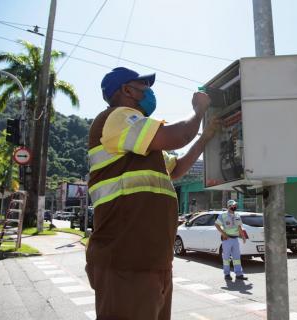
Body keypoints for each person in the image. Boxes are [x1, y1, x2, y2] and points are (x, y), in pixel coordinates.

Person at [85, 67, 219, 320]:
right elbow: (179, 135)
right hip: (126, 260)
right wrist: (199, 109)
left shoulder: (142, 145)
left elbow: (177, 169)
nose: (149, 92)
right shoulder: (117, 117)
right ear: (126, 90)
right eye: (144, 86)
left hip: (151, 262)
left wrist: (205, 137)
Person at [215, 199, 248, 281]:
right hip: (227, 239)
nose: (235, 206)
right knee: (226, 258)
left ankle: (239, 274)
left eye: (235, 205)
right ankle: (227, 274)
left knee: (237, 258)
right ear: (229, 206)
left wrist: (243, 236)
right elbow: (216, 224)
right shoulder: (223, 215)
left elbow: (239, 227)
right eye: (233, 205)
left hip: (235, 239)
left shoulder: (237, 215)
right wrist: (223, 234)